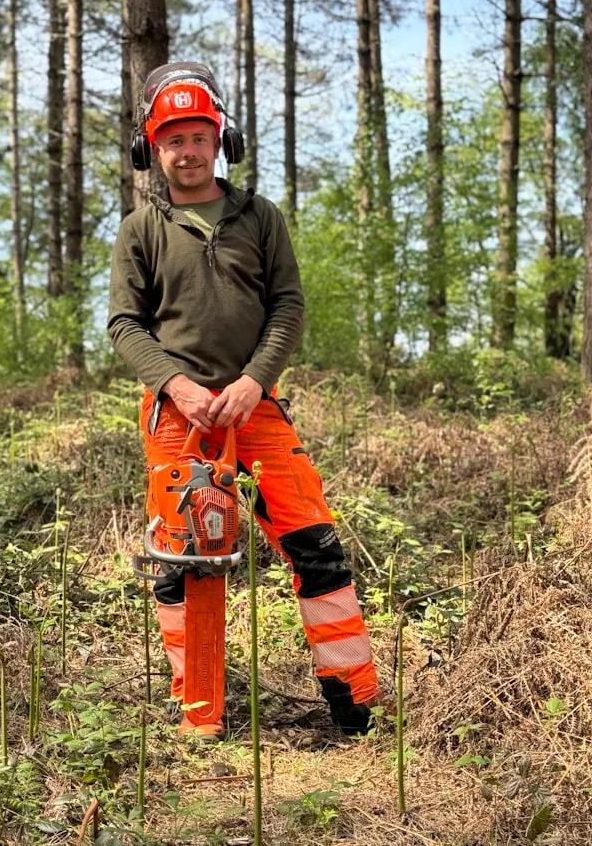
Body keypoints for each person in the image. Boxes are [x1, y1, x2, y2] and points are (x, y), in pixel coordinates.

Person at [107, 61, 380, 739]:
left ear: (221, 139)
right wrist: (177, 385)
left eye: (199, 135)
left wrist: (255, 378)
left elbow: (288, 304)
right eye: (173, 139)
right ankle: (200, 712)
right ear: (152, 149)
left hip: (256, 407)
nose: (188, 151)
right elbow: (124, 324)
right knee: (184, 560)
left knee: (314, 540)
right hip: (178, 417)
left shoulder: (260, 217)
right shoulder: (140, 228)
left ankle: (355, 704)